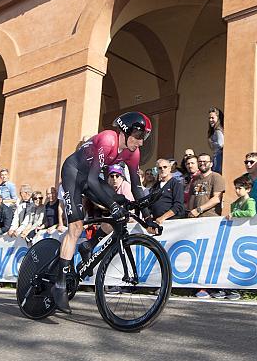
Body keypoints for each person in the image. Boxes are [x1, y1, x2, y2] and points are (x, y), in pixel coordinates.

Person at [51, 111, 153, 314]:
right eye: (139, 136)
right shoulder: (108, 139)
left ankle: (89, 244)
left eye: (145, 138)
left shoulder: (133, 153)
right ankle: (60, 284)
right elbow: (90, 181)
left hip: (93, 177)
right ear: (125, 131)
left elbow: (137, 187)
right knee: (76, 226)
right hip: (74, 174)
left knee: (121, 209)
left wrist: (148, 217)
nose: (141, 143)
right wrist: (111, 204)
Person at [148, 158, 185, 230]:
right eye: (160, 168)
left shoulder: (176, 184)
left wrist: (163, 218)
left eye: (165, 167)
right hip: (157, 223)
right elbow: (150, 204)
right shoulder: (155, 186)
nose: (162, 169)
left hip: (172, 224)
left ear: (170, 168)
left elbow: (178, 205)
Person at [188, 153, 225, 218]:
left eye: (205, 161)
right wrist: (190, 212)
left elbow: (217, 198)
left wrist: (199, 210)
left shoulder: (216, 177)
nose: (202, 163)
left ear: (211, 164)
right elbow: (192, 197)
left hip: (210, 217)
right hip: (195, 218)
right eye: (200, 161)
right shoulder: (195, 179)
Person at [207, 107, 225, 174]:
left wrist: (212, 142)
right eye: (209, 118)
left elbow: (221, 144)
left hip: (218, 156)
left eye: (212, 118)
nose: (210, 120)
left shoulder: (218, 131)